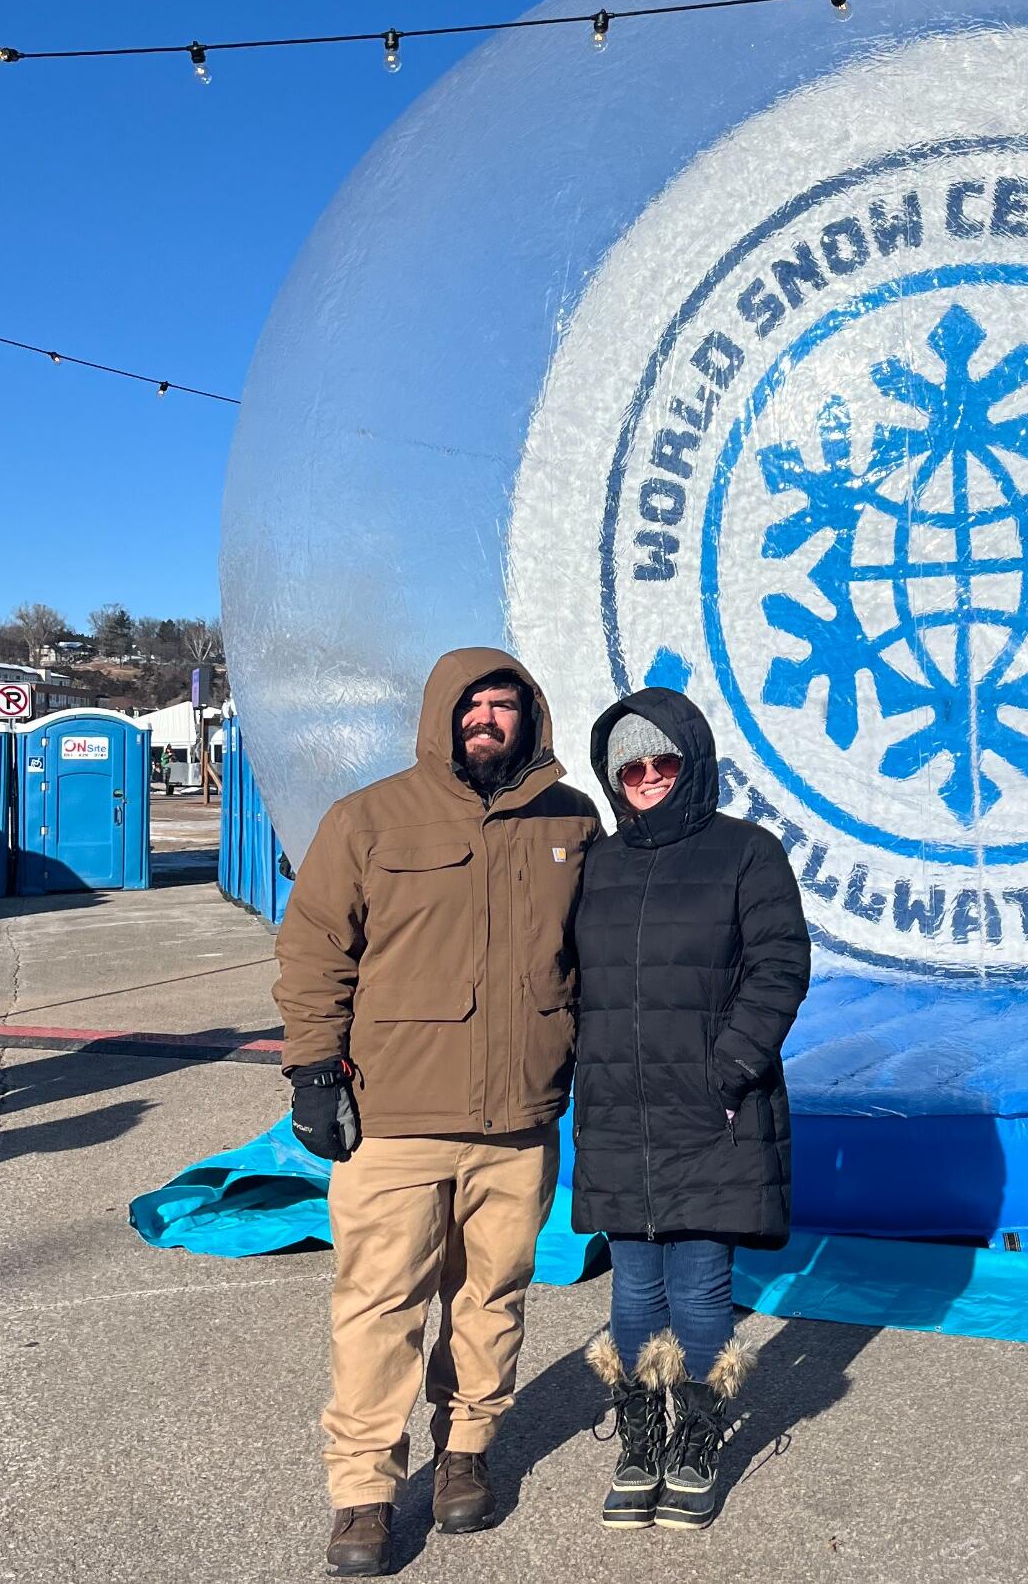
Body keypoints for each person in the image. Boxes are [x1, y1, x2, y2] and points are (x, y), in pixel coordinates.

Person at [273, 649, 599, 1577]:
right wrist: (312, 1071)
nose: (487, 720)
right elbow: (314, 950)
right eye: (472, 706)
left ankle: (467, 1448)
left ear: (529, 716)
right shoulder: (369, 818)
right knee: (379, 1302)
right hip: (397, 1114)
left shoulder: (571, 821)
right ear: (440, 717)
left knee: (491, 1292)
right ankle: (364, 1492)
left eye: (504, 705)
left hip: (519, 1117)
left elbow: (597, 952)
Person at [572, 688, 811, 1532]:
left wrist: (731, 1067)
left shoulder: (747, 853)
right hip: (617, 1109)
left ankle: (698, 1436)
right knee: (633, 1286)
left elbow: (779, 963)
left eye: (661, 761)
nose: (645, 777)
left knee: (700, 1285)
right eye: (628, 766)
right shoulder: (596, 862)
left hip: (711, 1111)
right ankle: (641, 1436)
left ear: (692, 762)